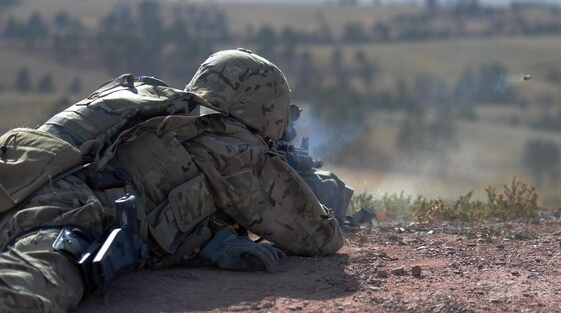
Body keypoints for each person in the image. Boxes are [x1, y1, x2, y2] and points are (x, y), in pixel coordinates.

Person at [0, 49, 351, 313]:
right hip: (69, 210)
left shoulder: (153, 102)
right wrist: (312, 186)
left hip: (16, 177)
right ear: (266, 108)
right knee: (27, 290)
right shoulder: (227, 142)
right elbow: (317, 236)